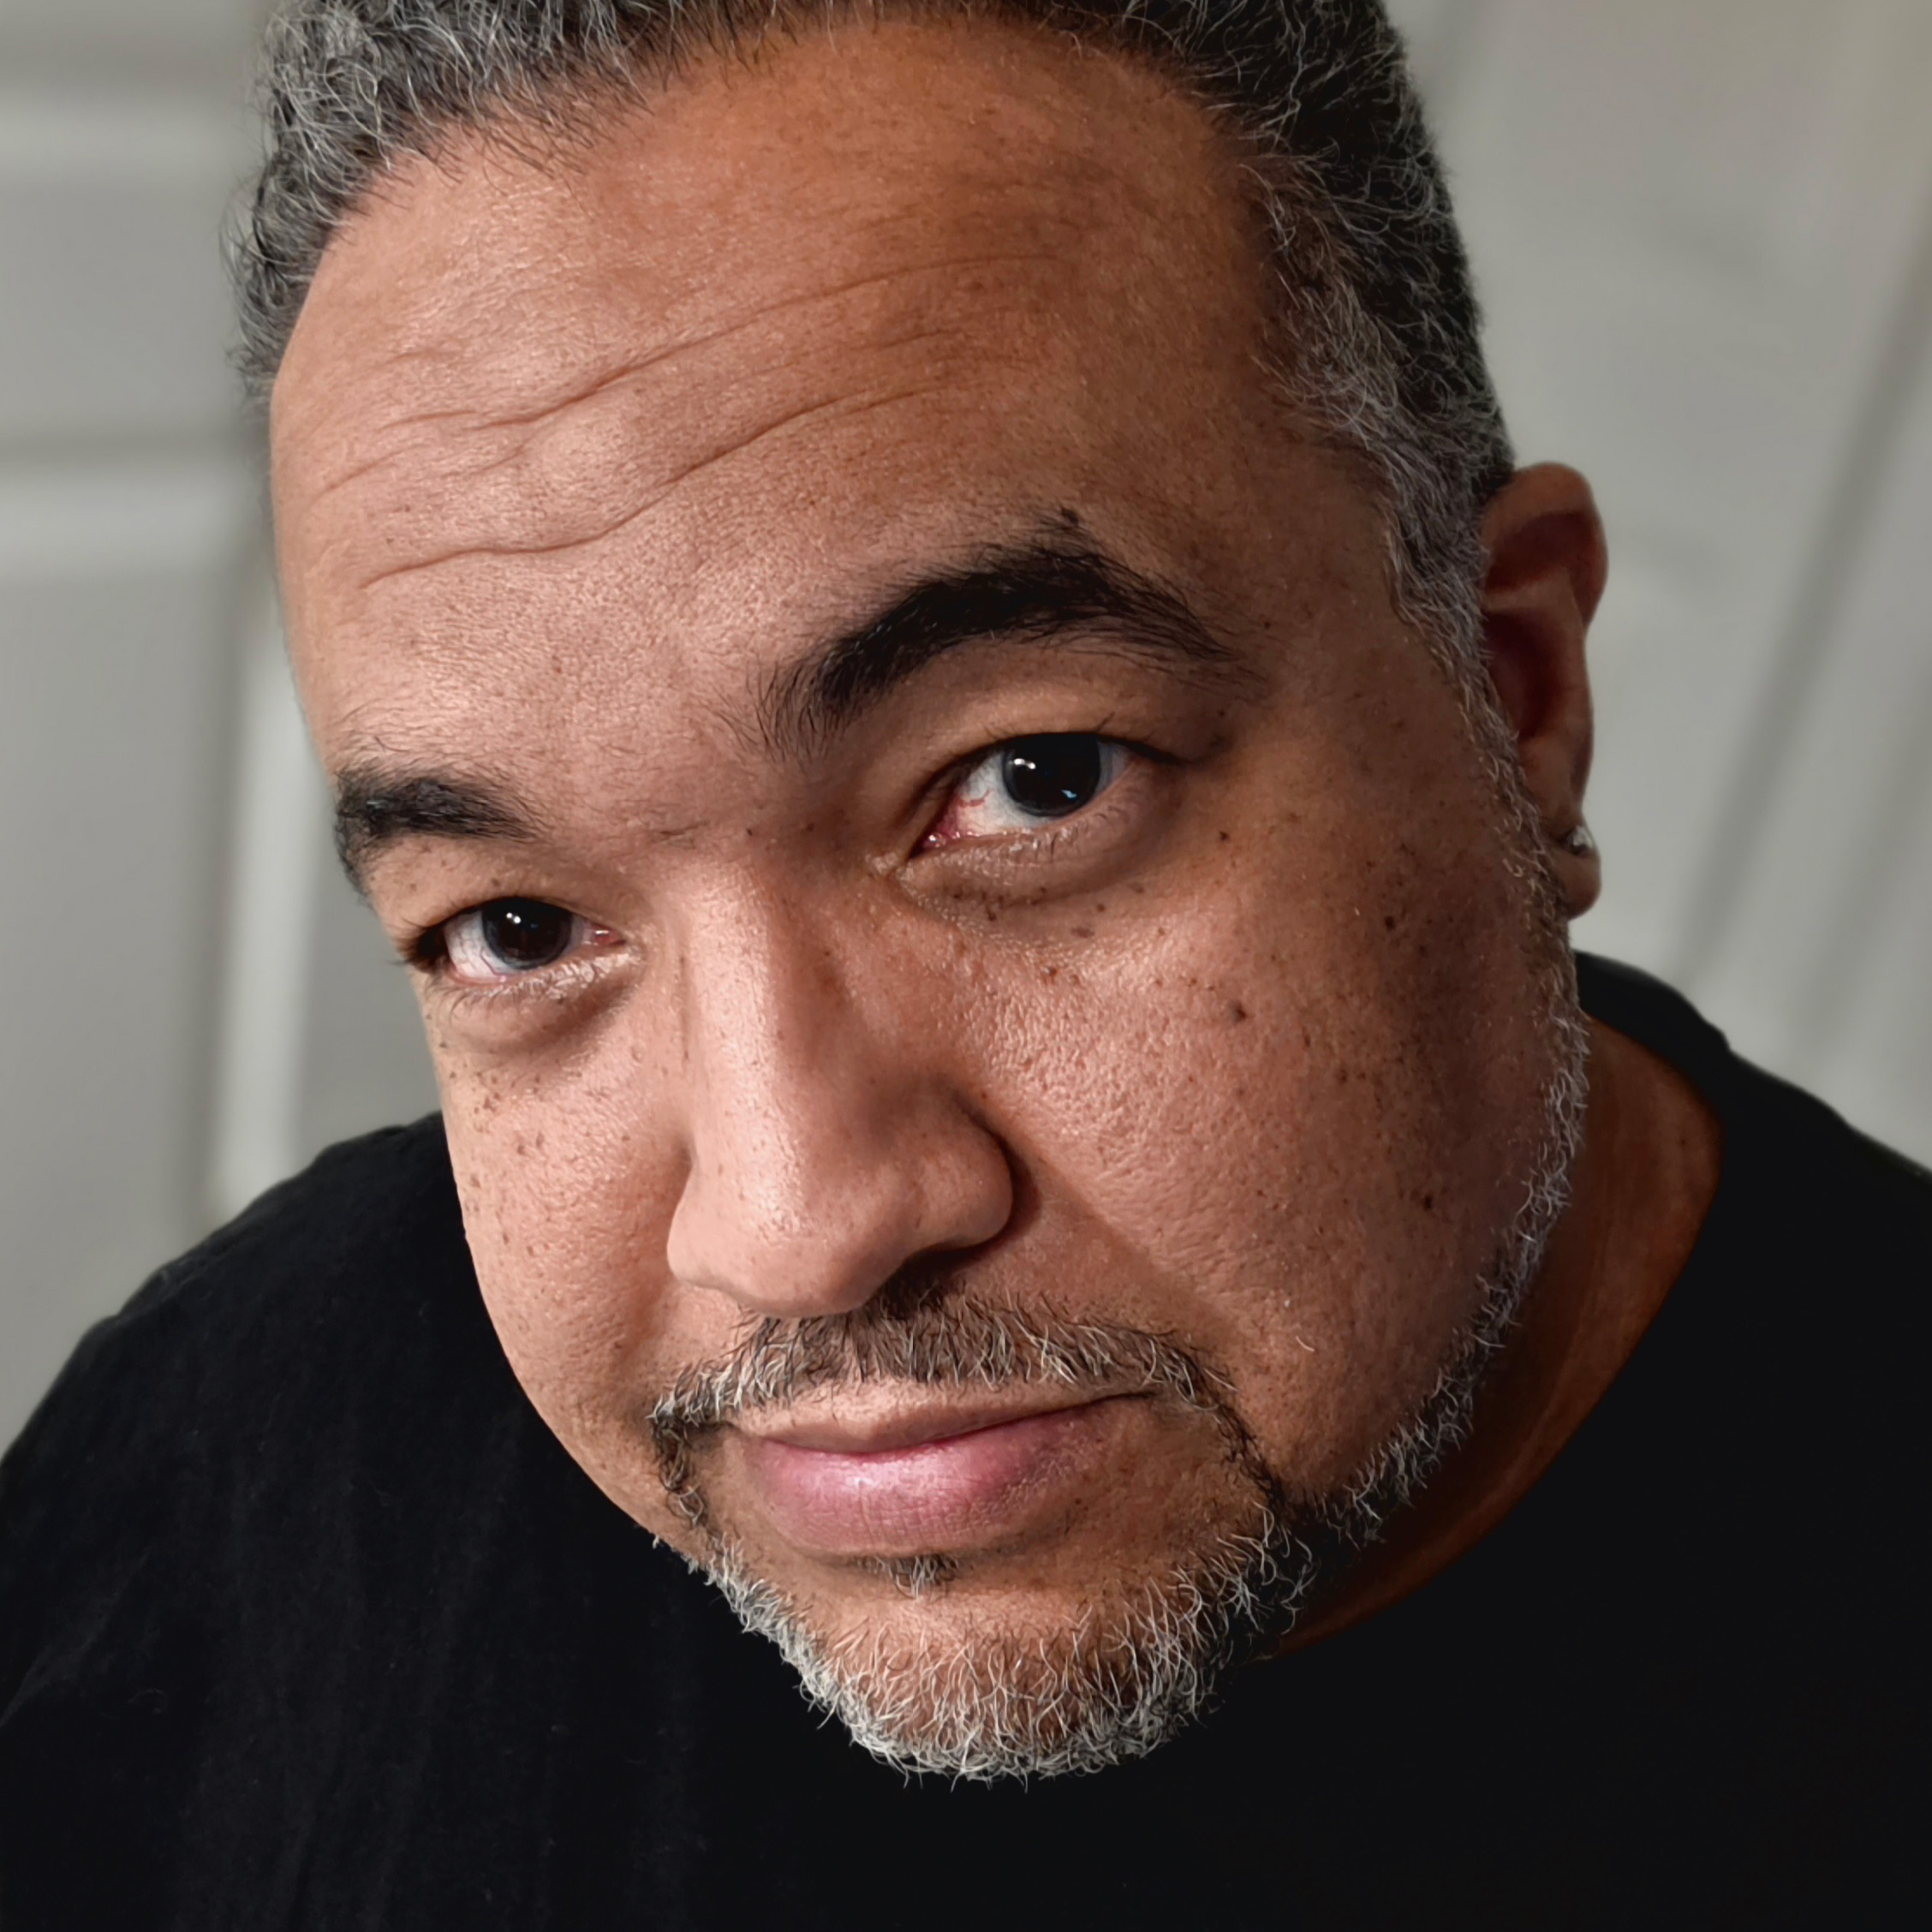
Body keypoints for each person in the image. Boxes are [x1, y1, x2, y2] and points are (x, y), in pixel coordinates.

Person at [2, 2, 1925, 1923]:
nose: (798, 1224)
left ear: (1517, 694)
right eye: (520, 927)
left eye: (1031, 782)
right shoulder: (223, 1458)